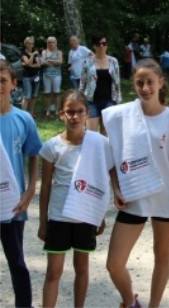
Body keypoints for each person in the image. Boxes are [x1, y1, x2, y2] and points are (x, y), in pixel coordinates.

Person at [103, 59, 169, 308]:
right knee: (114, 263)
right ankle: (130, 301)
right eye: (139, 82)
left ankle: (154, 305)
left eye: (150, 82)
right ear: (133, 83)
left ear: (161, 83)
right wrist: (116, 188)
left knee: (161, 256)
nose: (145, 88)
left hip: (165, 198)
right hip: (134, 195)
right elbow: (112, 154)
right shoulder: (122, 117)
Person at [37, 90, 115, 308]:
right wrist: (43, 221)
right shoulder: (51, 146)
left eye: (79, 112)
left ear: (87, 113)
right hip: (59, 217)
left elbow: (104, 177)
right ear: (61, 114)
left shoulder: (99, 143)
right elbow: (45, 188)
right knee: (53, 271)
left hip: (85, 216)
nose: (74, 117)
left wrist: (99, 215)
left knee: (82, 267)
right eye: (69, 112)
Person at [0, 58, 43, 308]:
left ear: (14, 84)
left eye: (3, 81)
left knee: (16, 262)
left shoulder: (23, 119)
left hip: (13, 205)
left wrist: (30, 190)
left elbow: (34, 153)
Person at [79, 35, 122, 134]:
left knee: (106, 133)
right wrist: (80, 99)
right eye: (98, 44)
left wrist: (118, 100)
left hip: (109, 100)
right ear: (94, 46)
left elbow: (117, 83)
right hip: (91, 101)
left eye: (104, 43)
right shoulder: (87, 62)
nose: (102, 46)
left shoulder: (113, 61)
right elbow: (83, 82)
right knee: (90, 133)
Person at [41, 36, 65, 116]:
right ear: (47, 43)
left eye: (53, 42)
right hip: (46, 75)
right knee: (47, 93)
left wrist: (49, 61)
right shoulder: (44, 52)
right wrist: (54, 62)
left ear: (56, 43)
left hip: (56, 75)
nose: (51, 44)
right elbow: (43, 62)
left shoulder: (59, 52)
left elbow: (60, 62)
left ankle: (57, 110)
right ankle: (47, 110)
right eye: (49, 42)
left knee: (57, 93)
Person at [19, 36, 41, 116]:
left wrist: (29, 64)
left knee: (34, 96)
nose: (30, 45)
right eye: (28, 43)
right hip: (27, 77)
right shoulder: (23, 53)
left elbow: (38, 65)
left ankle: (31, 114)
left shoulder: (36, 53)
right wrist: (32, 55)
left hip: (36, 76)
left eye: (31, 43)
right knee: (27, 96)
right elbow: (28, 63)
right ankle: (23, 114)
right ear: (25, 44)